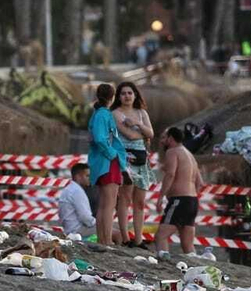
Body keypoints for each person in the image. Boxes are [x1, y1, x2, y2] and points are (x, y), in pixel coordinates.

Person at [112, 81, 155, 246]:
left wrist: (138, 124)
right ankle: (125, 237)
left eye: (130, 93)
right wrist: (143, 134)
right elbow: (129, 135)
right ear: (119, 96)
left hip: (142, 159)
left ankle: (138, 238)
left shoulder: (142, 113)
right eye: (123, 93)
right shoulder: (116, 113)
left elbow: (151, 132)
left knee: (140, 201)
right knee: (124, 198)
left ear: (135, 95)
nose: (127, 96)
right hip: (125, 158)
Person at [86, 83, 128, 245]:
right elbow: (99, 138)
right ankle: (107, 240)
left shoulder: (97, 114)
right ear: (112, 97)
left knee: (104, 204)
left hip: (102, 162)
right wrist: (113, 154)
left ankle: (103, 239)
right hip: (108, 163)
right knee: (109, 204)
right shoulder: (103, 114)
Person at [154, 126, 204, 257]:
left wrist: (161, 198)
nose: (162, 141)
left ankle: (163, 263)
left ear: (171, 138)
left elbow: (170, 174)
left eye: (164, 138)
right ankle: (195, 269)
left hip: (179, 200)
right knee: (187, 244)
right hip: (192, 201)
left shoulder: (172, 151)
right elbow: (200, 183)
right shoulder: (190, 155)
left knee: (161, 236)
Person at [56, 162, 96, 237]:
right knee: (113, 232)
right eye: (87, 176)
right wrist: (98, 224)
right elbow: (85, 217)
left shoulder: (70, 189)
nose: (90, 178)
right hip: (78, 230)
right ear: (78, 177)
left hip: (70, 229)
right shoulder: (76, 191)